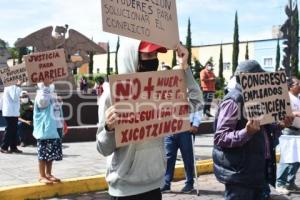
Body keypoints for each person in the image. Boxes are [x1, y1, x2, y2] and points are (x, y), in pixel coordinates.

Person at [97, 38, 199, 200]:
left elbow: (196, 103)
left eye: (155, 55)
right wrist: (109, 129)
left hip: (153, 185)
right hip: (124, 189)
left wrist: (185, 68)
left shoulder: (161, 90)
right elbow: (103, 149)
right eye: (147, 55)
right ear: (131, 58)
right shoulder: (111, 95)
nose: (153, 60)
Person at [212, 60, 294, 200]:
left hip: (258, 171)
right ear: (246, 78)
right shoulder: (234, 101)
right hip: (240, 175)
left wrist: (280, 125)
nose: (263, 81)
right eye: (259, 77)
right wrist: (246, 133)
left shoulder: (258, 98)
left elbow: (264, 130)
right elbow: (220, 137)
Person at [160, 65, 202, 193]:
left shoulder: (191, 88)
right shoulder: (166, 89)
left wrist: (195, 124)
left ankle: (189, 182)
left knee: (187, 157)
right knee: (169, 156)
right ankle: (166, 182)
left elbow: (198, 106)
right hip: (170, 129)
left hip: (186, 129)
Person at [33, 78, 62, 184]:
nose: (51, 81)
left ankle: (48, 173)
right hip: (45, 129)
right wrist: (45, 86)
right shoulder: (41, 94)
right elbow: (43, 103)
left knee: (51, 153)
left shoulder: (51, 94)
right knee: (43, 153)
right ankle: (41, 175)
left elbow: (57, 110)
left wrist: (62, 123)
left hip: (54, 128)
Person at [276, 77, 300, 195]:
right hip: (289, 131)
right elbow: (282, 113)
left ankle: (290, 183)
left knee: (296, 159)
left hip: (298, 132)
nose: (299, 85)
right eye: (297, 84)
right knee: (287, 158)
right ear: (290, 86)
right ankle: (280, 183)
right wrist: (295, 113)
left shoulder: (298, 98)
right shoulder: (287, 98)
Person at [0, 80, 23, 153]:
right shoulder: (11, 86)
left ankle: (13, 147)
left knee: (14, 130)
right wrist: (19, 86)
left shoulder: (11, 86)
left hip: (12, 112)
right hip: (10, 112)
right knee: (10, 130)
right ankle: (4, 147)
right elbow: (15, 97)